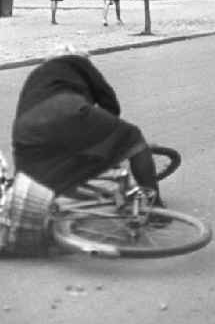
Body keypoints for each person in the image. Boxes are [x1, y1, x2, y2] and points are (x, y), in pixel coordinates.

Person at [11, 45, 164, 206]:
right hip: (67, 110)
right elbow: (109, 102)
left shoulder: (37, 74)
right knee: (134, 140)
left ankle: (29, 208)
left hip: (25, 127)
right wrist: (111, 140)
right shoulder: (80, 63)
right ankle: (155, 206)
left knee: (30, 176)